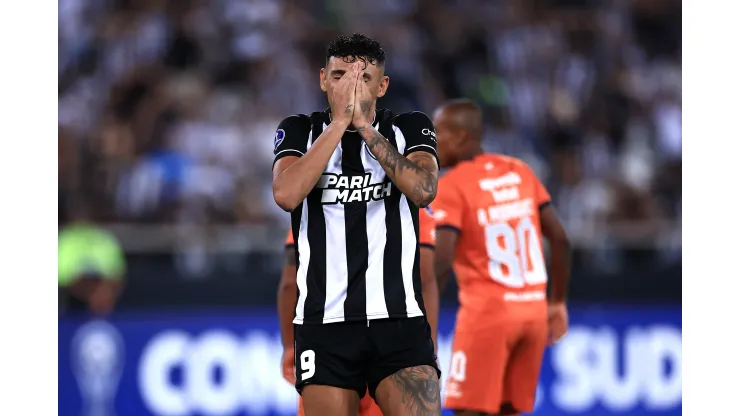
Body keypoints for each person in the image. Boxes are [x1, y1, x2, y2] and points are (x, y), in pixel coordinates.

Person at [271, 33, 441, 416]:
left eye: (362, 78)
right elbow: (286, 194)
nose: (350, 86)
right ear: (322, 80)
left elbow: (424, 189)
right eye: (339, 76)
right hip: (324, 322)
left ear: (382, 86)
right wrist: (339, 124)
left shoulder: (410, 126)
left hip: (399, 318)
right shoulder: (299, 130)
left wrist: (365, 128)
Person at [431, 99, 572, 416]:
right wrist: (557, 302)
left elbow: (439, 263)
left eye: (438, 133)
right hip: (533, 312)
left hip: (488, 315)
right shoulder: (519, 171)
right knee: (508, 411)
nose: (431, 141)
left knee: (469, 410)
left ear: (462, 136)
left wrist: (419, 319)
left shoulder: (451, 186)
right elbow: (561, 239)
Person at [278, 206, 440, 416]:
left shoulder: (318, 199)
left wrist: (290, 346)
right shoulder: (407, 199)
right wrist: (430, 348)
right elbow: (424, 275)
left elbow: (291, 281)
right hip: (393, 335)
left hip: (327, 339)